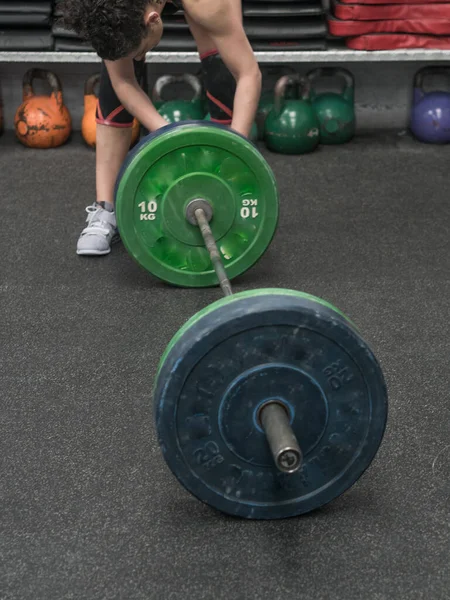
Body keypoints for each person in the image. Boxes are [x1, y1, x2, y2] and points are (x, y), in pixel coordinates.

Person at [61, 0, 262, 256]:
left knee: (222, 65)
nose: (139, 58)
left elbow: (248, 73)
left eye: (140, 51)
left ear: (153, 19)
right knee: (115, 76)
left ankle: (228, 189)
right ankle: (105, 208)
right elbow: (123, 80)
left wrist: (236, 151)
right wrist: (170, 137)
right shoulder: (106, 7)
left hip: (208, 5)